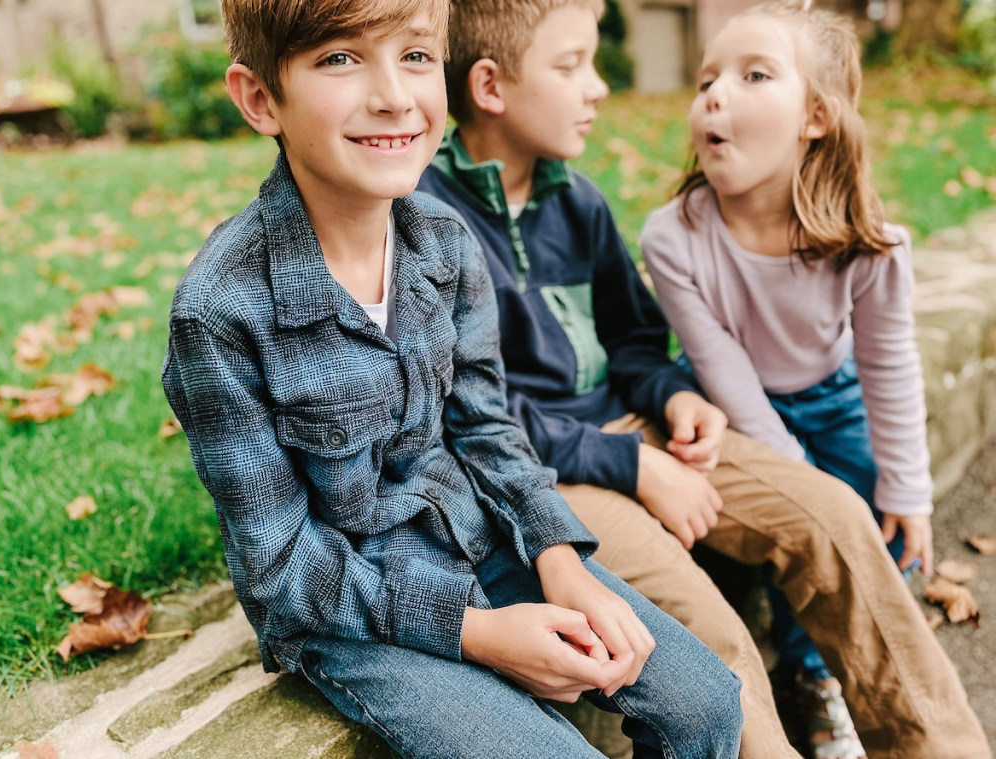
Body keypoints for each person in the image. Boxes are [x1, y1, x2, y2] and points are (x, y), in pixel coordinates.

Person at [161, 1, 745, 757]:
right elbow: (282, 567)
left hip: (478, 541)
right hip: (351, 610)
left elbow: (486, 426)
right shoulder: (221, 311)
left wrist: (558, 561)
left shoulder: (445, 241)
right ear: (260, 98)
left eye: (415, 56)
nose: (395, 97)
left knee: (706, 704)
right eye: (341, 58)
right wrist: (481, 634)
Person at [416, 1, 989, 758]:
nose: (598, 89)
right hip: (544, 477)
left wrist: (674, 396)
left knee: (838, 521)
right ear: (491, 86)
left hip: (642, 433)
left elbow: (634, 341)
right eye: (571, 65)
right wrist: (633, 465)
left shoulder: (577, 202)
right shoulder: (428, 220)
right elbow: (471, 413)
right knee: (708, 631)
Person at [640, 3, 984, 757]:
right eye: (706, 79)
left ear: (817, 118)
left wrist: (908, 486)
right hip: (727, 411)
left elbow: (888, 364)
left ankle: (818, 670)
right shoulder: (675, 236)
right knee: (773, 528)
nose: (714, 95)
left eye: (753, 74)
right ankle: (774, 669)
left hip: (833, 398)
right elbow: (719, 364)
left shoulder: (867, 242)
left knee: (867, 514)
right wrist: (797, 484)